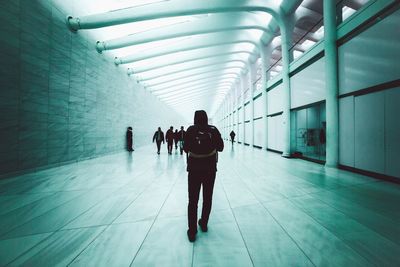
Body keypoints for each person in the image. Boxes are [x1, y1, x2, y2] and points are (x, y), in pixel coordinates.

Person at [183, 110, 224, 242]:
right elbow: (221, 147)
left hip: (194, 170)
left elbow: (185, 148)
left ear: (195, 118)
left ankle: (192, 231)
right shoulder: (213, 129)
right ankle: (204, 223)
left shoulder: (190, 130)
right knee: (207, 198)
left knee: (193, 201)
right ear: (206, 118)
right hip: (210, 170)